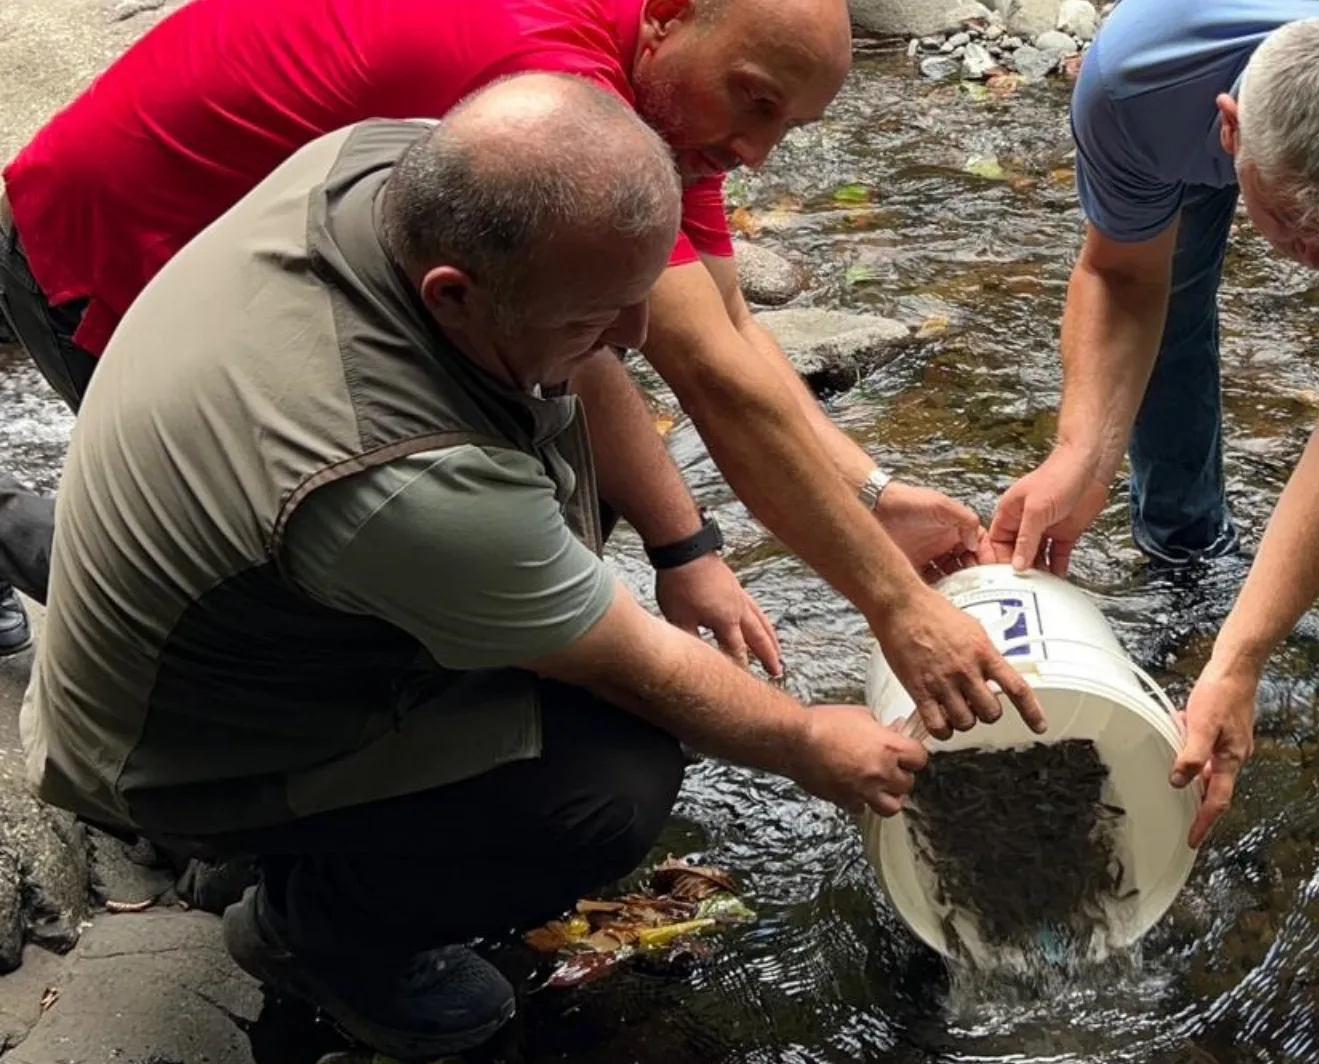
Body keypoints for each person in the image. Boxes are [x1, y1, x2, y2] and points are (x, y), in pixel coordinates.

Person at [21, 72, 943, 1060]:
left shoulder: (394, 168)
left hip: (200, 578)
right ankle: (312, 929)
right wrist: (810, 741)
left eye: (642, 296)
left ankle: (279, 836)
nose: (636, 339)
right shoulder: (398, 478)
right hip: (163, 743)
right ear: (452, 298)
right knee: (611, 777)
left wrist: (687, 550)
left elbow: (587, 363)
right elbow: (640, 667)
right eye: (600, 314)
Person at [0, 0, 1024, 742]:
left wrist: (868, 497)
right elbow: (701, 372)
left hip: (325, 249)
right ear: (670, 17)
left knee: (541, 485)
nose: (756, 153)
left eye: (785, 129)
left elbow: (728, 328)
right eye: (753, 106)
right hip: (120, 254)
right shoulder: (552, 88)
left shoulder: (665, 100)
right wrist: (897, 609)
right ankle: (253, 835)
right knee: (238, 572)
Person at [987, 0, 1319, 844]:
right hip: (1199, 103)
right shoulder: (1140, 82)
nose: (1315, 259)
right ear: (1231, 128)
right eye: (1294, 226)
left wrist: (1241, 658)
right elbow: (1125, 280)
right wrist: (1080, 456)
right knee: (1173, 277)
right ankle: (1185, 548)